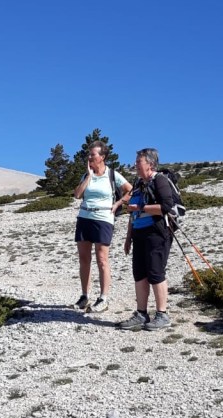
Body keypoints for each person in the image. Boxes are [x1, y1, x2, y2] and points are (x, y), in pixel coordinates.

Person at [115, 147, 174, 331]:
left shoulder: (160, 180)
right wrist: (128, 238)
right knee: (140, 274)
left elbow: (166, 207)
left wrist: (141, 207)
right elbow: (132, 214)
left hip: (156, 233)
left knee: (155, 272)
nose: (135, 164)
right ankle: (141, 314)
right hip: (139, 233)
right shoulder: (139, 184)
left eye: (139, 161)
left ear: (150, 164)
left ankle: (162, 315)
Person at [73, 141, 131, 314]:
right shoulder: (87, 175)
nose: (89, 157)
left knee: (102, 259)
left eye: (93, 154)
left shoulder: (113, 174)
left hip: (104, 219)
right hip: (84, 217)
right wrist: (89, 176)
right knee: (84, 258)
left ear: (102, 157)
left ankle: (103, 298)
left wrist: (118, 203)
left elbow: (131, 190)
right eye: (89, 154)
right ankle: (85, 296)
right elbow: (77, 195)